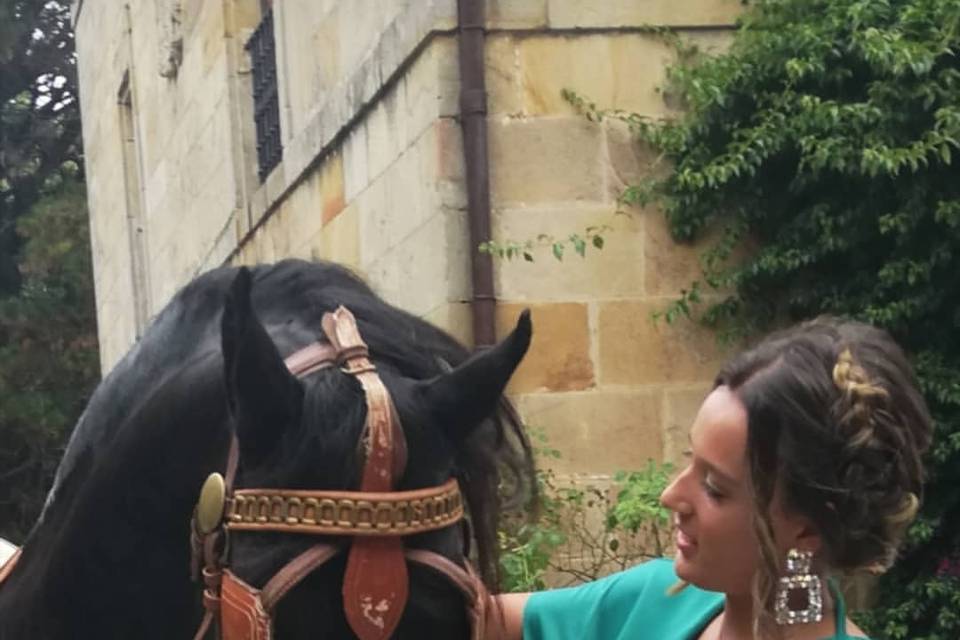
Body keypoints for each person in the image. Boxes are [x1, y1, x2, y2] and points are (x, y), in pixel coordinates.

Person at [490, 317, 932, 640]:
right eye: (689, 461)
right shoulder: (649, 601)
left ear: (809, 527)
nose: (670, 496)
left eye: (715, 488)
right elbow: (471, 619)